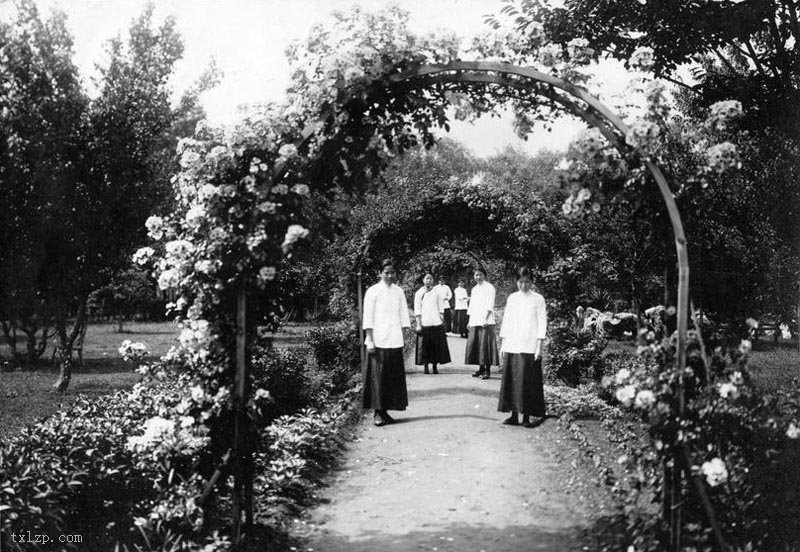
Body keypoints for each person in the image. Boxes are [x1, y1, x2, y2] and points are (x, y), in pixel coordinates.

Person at [362, 259, 411, 426]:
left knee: (392, 376)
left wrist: (403, 336)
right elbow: (368, 317)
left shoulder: (399, 291)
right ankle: (377, 412)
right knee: (378, 377)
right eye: (386, 273)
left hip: (394, 338)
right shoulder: (373, 291)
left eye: (392, 272)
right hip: (378, 339)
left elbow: (404, 314)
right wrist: (369, 339)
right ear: (380, 273)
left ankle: (386, 411)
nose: (390, 276)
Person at [497, 267, 548, 428]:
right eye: (521, 282)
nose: (524, 285)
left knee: (527, 381)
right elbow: (507, 320)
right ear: (516, 282)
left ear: (532, 282)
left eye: (527, 282)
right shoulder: (512, 298)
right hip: (513, 343)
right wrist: (503, 344)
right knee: (512, 380)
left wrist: (539, 346)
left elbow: (542, 322)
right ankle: (513, 415)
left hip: (529, 345)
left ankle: (526, 416)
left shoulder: (538, 299)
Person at [465, 266, 499, 379]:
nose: (478, 277)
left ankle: (487, 371)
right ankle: (481, 368)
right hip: (475, 320)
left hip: (486, 321)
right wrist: (470, 321)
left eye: (480, 275)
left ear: (484, 275)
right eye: (476, 275)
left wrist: (486, 318)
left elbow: (490, 304)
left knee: (486, 345)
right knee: (477, 345)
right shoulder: (474, 289)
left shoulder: (489, 287)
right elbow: (472, 306)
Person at [414, 273, 451, 374]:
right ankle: (426, 366)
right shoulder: (419, 293)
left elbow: (441, 307)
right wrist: (418, 324)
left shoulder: (437, 292)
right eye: (427, 279)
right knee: (425, 346)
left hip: (436, 323)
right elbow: (417, 309)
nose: (429, 281)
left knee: (435, 346)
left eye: (431, 279)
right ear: (423, 280)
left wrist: (441, 319)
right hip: (425, 323)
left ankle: (435, 367)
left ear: (433, 281)